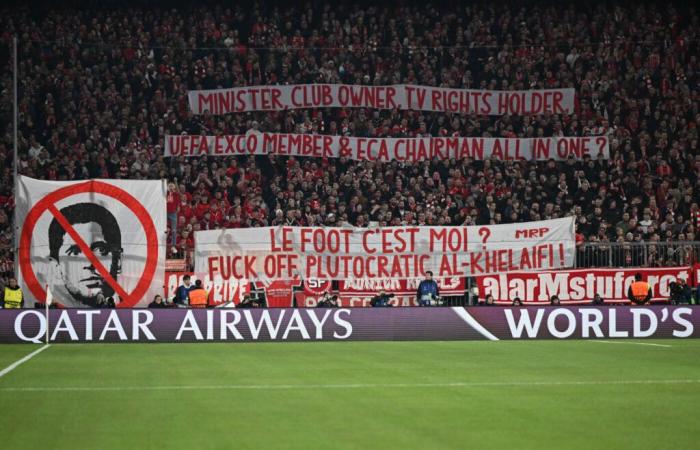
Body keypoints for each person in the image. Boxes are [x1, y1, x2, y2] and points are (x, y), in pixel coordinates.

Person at [48, 203, 122, 307]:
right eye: (75, 252)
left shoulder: (117, 307)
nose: (92, 265)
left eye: (101, 250)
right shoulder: (54, 310)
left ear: (118, 262)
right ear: (56, 265)